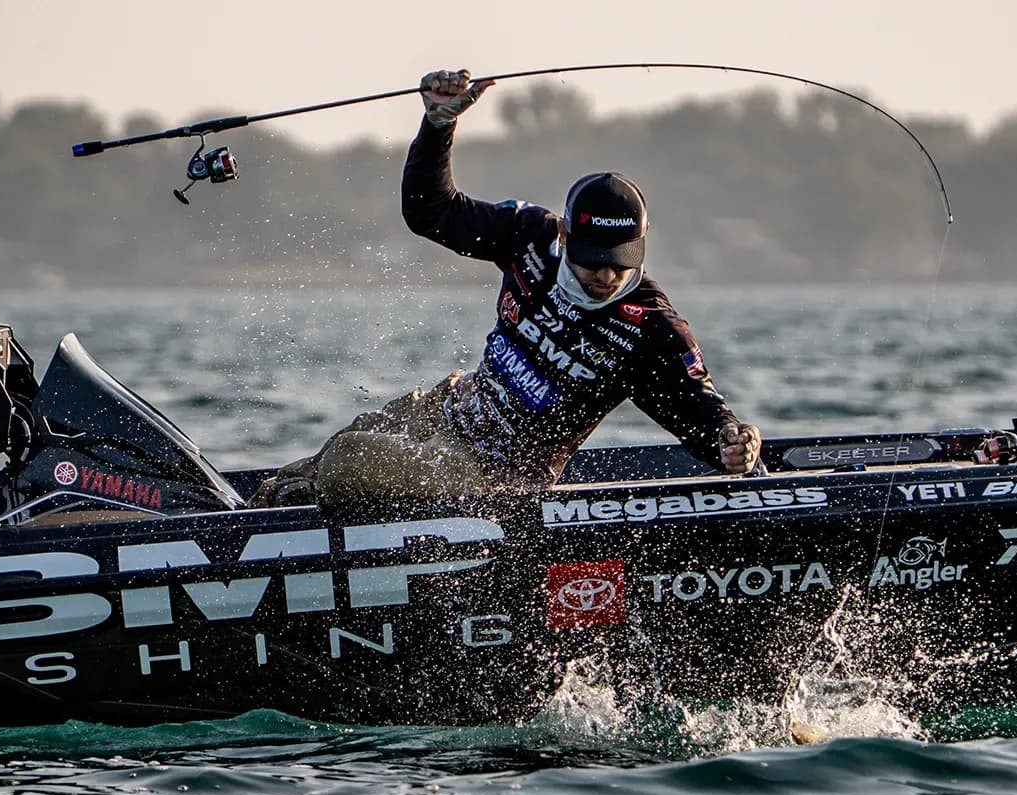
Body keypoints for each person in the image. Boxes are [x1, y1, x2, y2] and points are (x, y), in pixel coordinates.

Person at [248, 68, 761, 513]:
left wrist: (732, 442)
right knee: (308, 468)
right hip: (448, 410)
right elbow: (430, 213)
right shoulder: (529, 234)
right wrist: (438, 126)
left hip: (494, 481)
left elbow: (698, 408)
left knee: (348, 462)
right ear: (565, 237)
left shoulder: (650, 327)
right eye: (593, 261)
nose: (606, 276)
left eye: (620, 263)